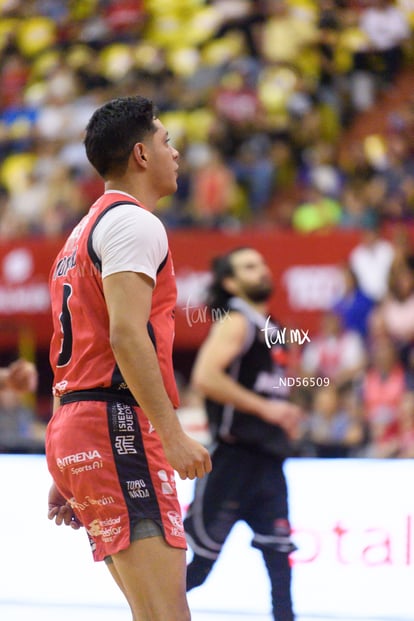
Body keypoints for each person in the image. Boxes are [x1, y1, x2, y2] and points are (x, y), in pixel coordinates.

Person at [45, 96, 212, 621]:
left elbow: (78, 350)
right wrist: (172, 430)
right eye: (167, 141)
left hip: (81, 423)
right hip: (116, 426)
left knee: (151, 612)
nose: (176, 152)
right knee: (166, 615)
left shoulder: (80, 233)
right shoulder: (134, 223)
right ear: (141, 154)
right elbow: (125, 336)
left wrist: (68, 458)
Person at [184, 247, 303, 621]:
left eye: (263, 263)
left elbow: (270, 388)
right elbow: (205, 377)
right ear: (231, 282)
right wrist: (266, 408)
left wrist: (285, 411)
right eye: (250, 266)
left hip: (268, 462)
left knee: (280, 561)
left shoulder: (274, 330)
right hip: (231, 463)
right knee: (196, 568)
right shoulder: (236, 320)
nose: (262, 269)